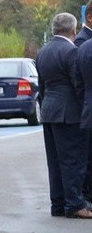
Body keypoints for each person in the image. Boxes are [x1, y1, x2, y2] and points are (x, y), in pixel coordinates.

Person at [36, 12, 89, 218]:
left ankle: (57, 204)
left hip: (49, 112)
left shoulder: (42, 52)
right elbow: (78, 85)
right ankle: (75, 204)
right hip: (70, 114)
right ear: (74, 30)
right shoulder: (71, 52)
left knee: (55, 161)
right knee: (73, 160)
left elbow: (41, 86)